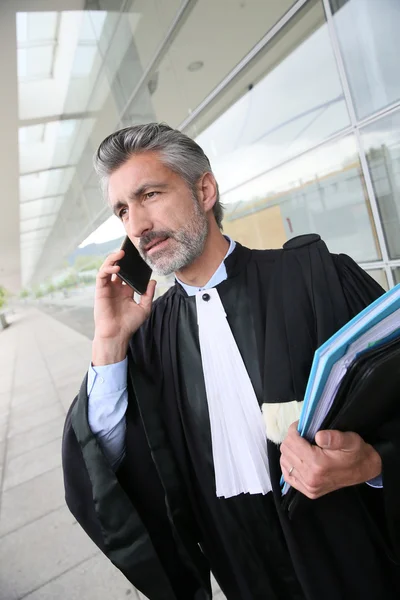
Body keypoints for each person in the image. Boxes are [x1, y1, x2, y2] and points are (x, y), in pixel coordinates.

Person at [62, 123, 400, 600]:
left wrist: (372, 462)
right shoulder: (146, 337)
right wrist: (109, 345)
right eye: (122, 210)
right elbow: (112, 471)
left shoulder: (316, 275)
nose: (136, 226)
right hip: (241, 571)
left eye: (150, 194)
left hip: (351, 558)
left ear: (204, 190)